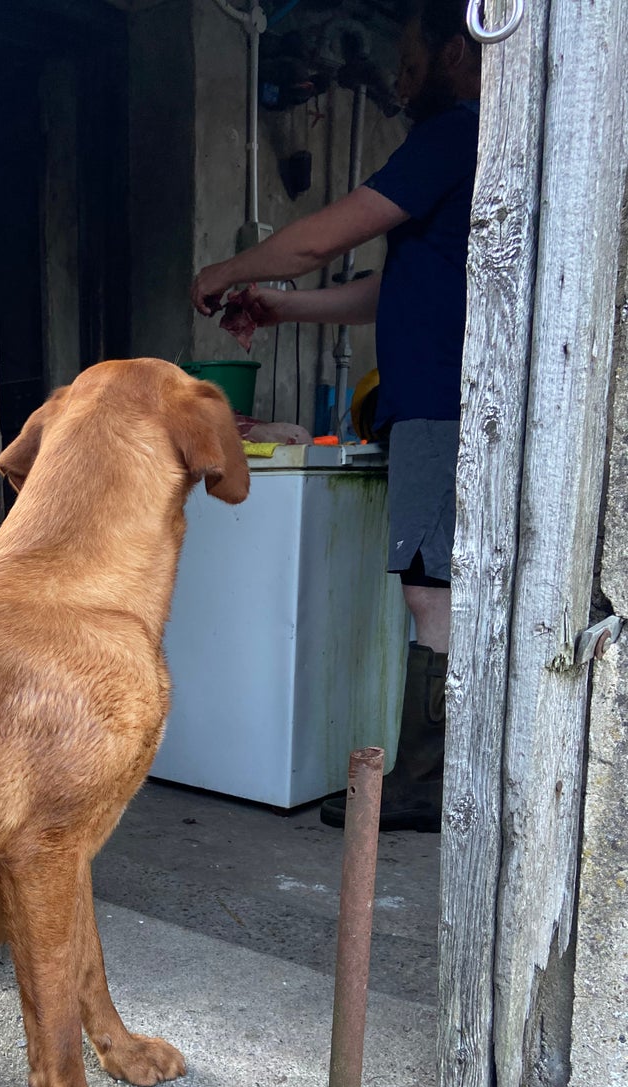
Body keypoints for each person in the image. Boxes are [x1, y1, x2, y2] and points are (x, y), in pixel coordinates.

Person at [191, 0, 481, 833]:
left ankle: (423, 792)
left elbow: (320, 239)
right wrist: (284, 309)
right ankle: (439, 785)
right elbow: (392, 291)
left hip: (441, 406)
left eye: (412, 51)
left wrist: (228, 269)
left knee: (435, 599)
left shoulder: (452, 135)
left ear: (457, 50)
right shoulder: (465, 156)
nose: (399, 72)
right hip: (440, 403)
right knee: (445, 592)